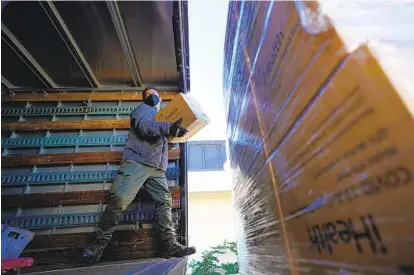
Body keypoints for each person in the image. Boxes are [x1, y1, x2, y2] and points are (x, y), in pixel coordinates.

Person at [82, 86, 196, 264]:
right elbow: (144, 127)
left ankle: (170, 244)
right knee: (119, 200)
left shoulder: (162, 119)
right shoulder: (143, 110)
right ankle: (97, 246)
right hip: (137, 162)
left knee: (164, 203)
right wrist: (168, 127)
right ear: (146, 99)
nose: (153, 97)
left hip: (157, 168)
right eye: (150, 95)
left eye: (155, 95)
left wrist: (174, 134)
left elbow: (164, 142)